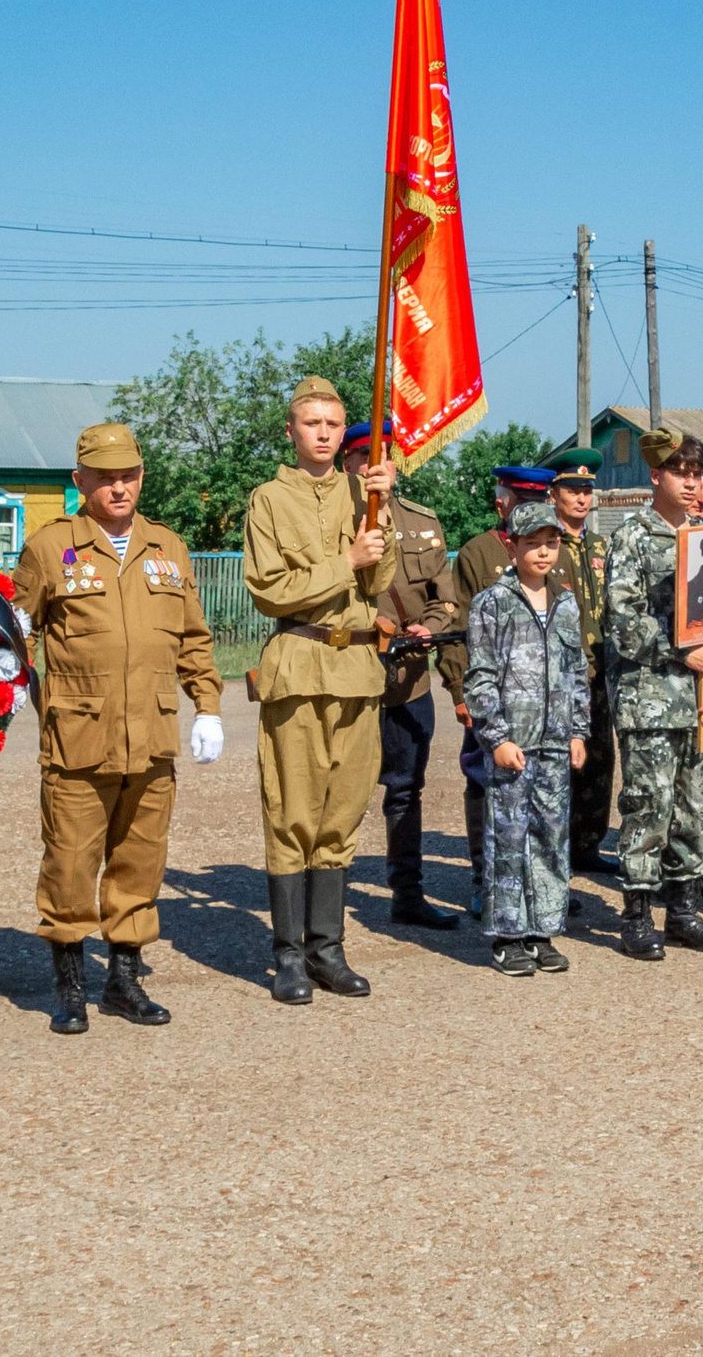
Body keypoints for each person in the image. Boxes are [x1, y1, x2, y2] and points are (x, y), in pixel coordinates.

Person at [13, 422, 224, 1032]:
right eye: (104, 477)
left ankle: (123, 982)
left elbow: (191, 637)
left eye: (128, 475)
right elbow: (14, 635)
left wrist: (207, 704)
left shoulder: (168, 547)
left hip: (152, 737)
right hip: (79, 738)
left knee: (140, 861)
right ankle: (70, 987)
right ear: (79, 481)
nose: (118, 487)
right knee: (71, 863)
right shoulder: (49, 547)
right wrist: (36, 699)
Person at [242, 375, 397, 1003]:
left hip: (357, 671)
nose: (326, 433)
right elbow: (268, 589)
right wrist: (346, 562)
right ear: (292, 431)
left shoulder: (364, 492)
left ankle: (327, 950)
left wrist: (381, 514)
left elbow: (378, 581)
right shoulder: (268, 500)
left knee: (342, 814)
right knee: (293, 813)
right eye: (313, 423)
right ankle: (288, 957)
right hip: (300, 664)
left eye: (334, 423)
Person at [603, 427, 703, 959]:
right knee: (648, 807)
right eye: (681, 473)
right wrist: (676, 650)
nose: (691, 483)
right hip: (651, 700)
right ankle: (637, 913)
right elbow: (622, 619)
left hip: (702, 702)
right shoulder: (633, 537)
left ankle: (684, 909)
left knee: (693, 807)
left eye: (697, 473)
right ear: (656, 476)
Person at [342, 420, 464, 929]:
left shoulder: (422, 521)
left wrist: (425, 626)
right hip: (348, 677)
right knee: (340, 791)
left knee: (405, 790)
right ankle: (325, 902)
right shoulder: (330, 519)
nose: (377, 466)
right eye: (365, 456)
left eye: (386, 457)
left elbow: (447, 598)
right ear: (347, 464)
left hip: (408, 679)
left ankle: (406, 894)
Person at [462, 501, 591, 978]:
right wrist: (493, 737)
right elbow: (479, 679)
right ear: (511, 546)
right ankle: (508, 935)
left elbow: (577, 671)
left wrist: (579, 731)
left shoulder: (566, 601)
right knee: (509, 839)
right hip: (512, 745)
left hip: (556, 742)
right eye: (532, 543)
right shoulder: (492, 603)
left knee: (552, 839)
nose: (542, 552)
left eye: (550, 543)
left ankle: (543, 931)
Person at [438, 465, 567, 904]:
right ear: (502, 504)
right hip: (494, 698)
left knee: (546, 793)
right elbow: (459, 627)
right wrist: (459, 690)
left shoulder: (552, 549)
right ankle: (486, 878)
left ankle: (541, 882)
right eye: (523, 502)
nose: (533, 512)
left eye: (539, 502)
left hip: (546, 703)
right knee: (486, 783)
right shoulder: (477, 552)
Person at [545, 449, 619, 874]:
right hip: (561, 671)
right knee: (562, 761)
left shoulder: (600, 544)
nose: (582, 498)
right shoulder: (547, 543)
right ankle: (560, 847)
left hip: (600, 669)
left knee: (600, 758)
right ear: (554, 494)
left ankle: (589, 845)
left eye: (588, 491)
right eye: (573, 490)